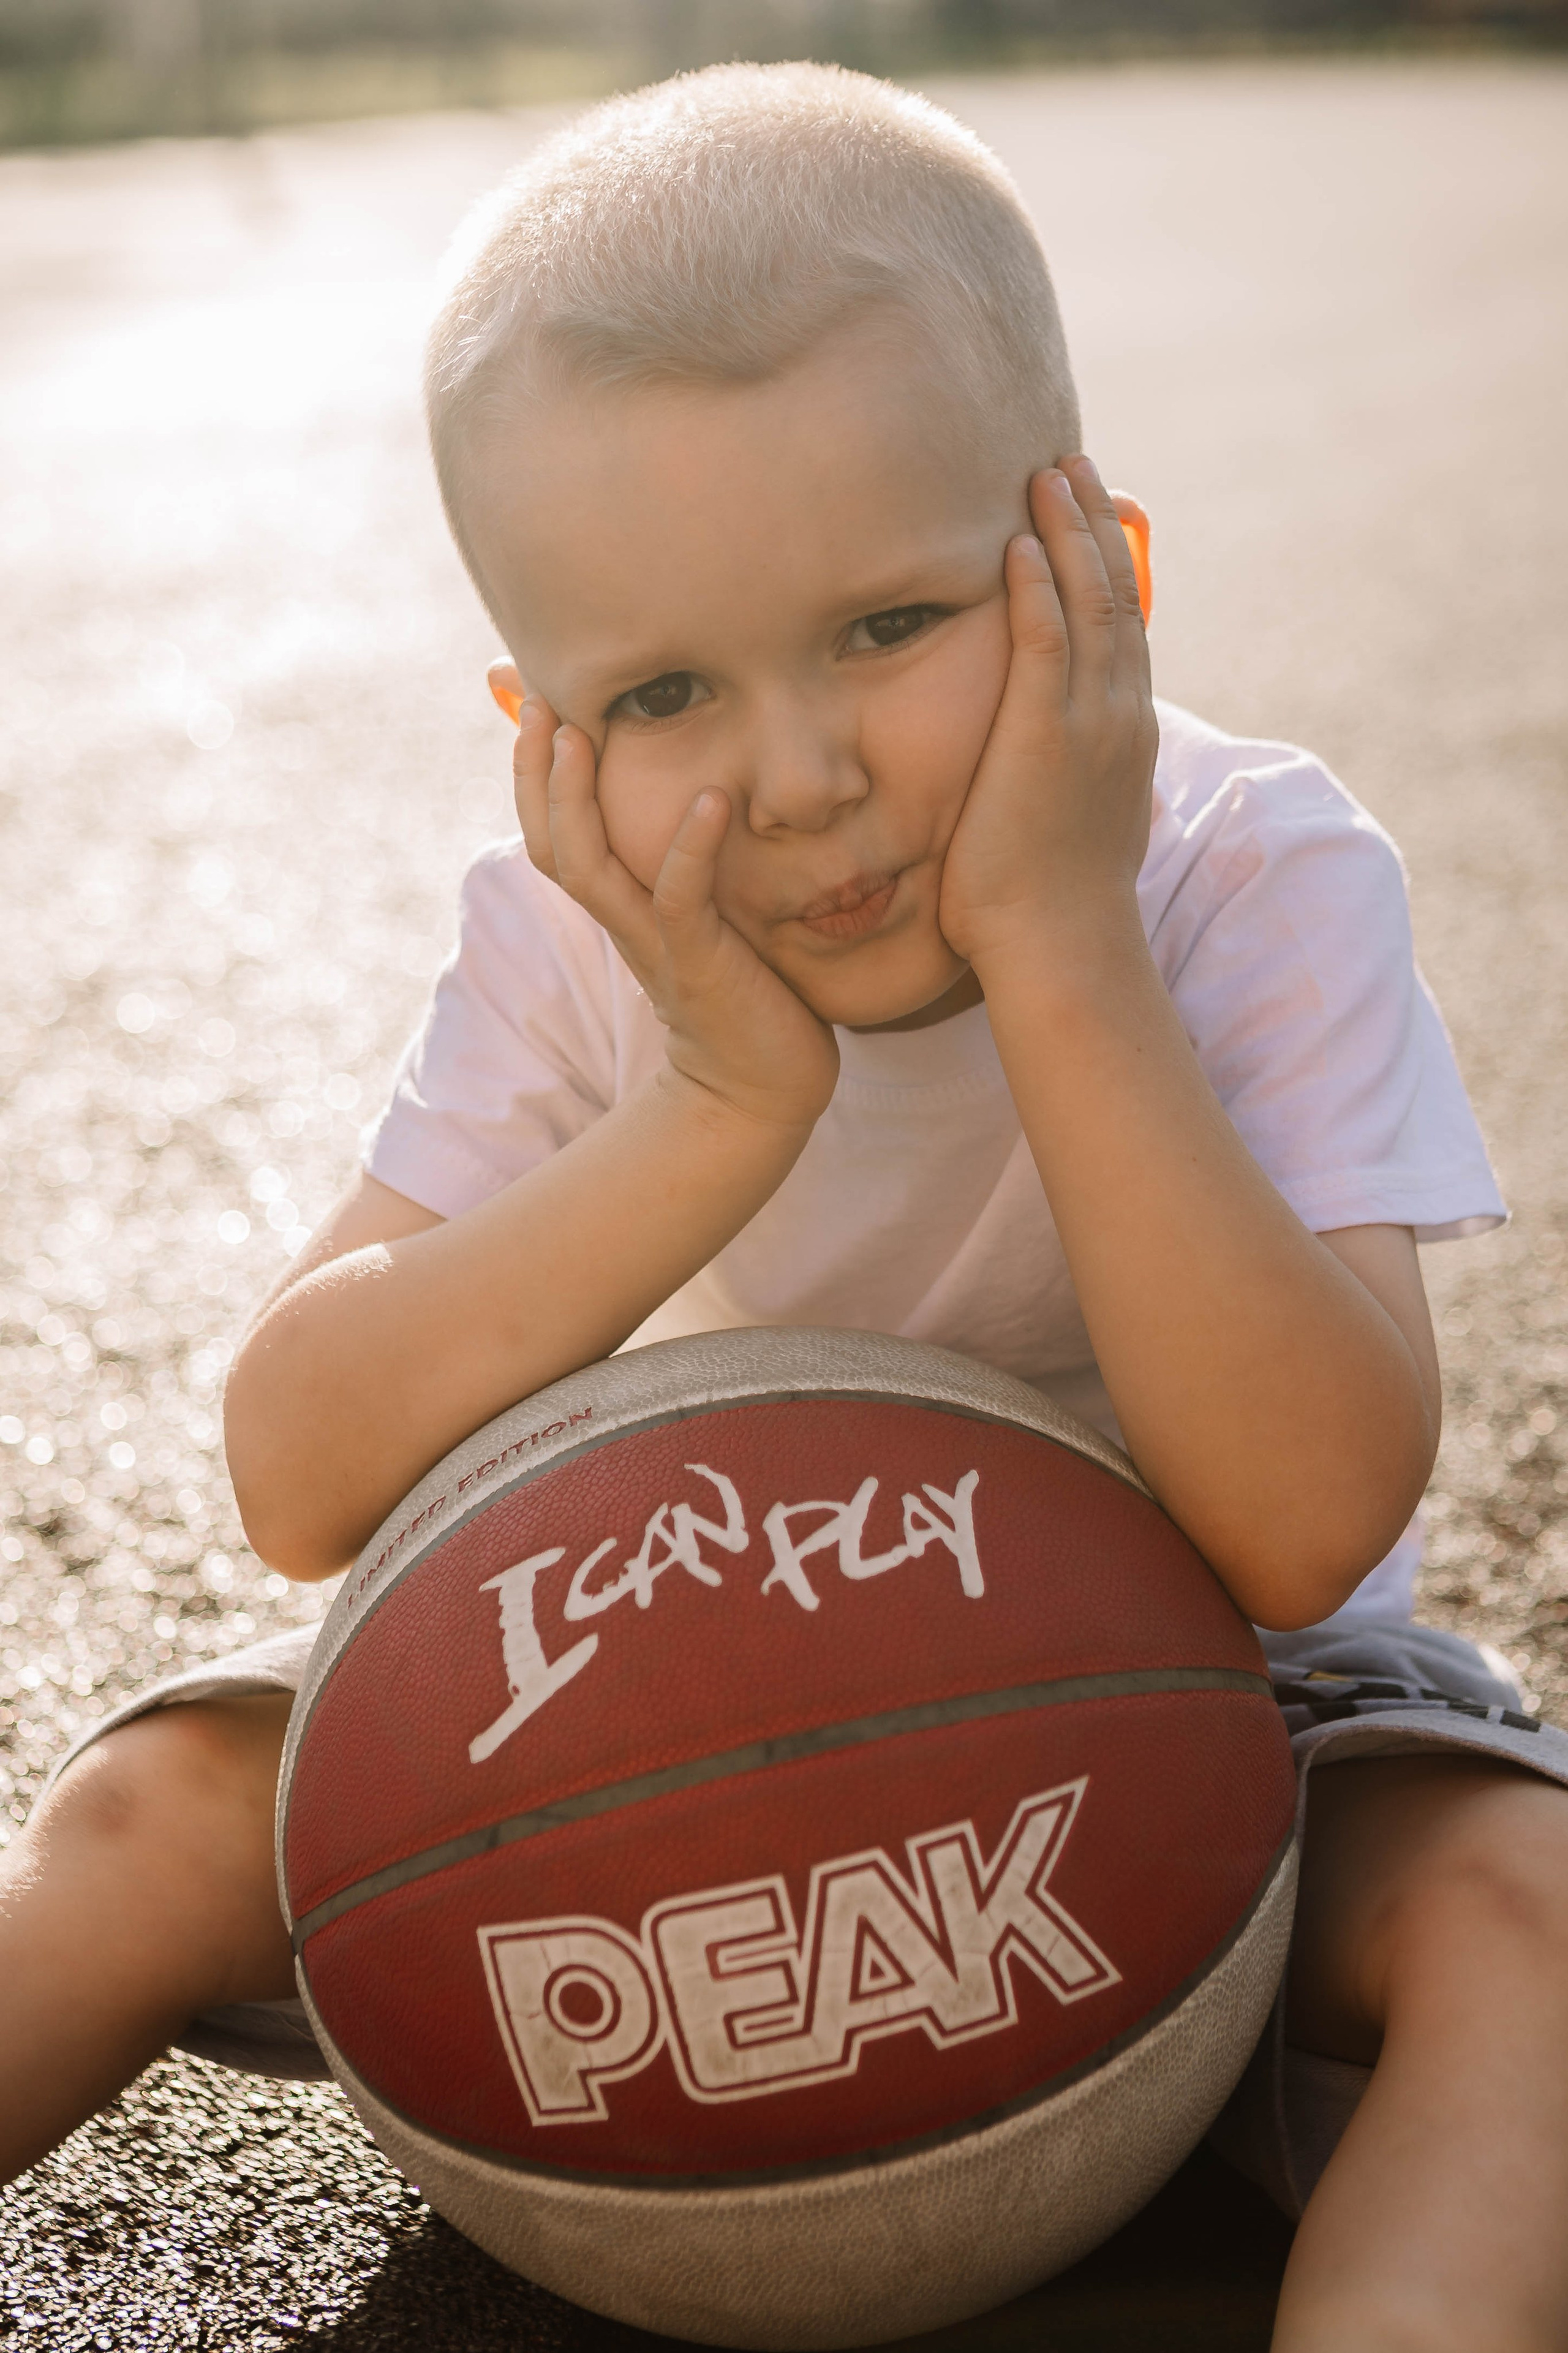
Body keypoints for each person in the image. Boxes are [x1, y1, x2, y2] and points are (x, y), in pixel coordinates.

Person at [3, 61, 1566, 2351]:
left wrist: (1062, 947)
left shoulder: (1245, 875)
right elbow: (295, 1466)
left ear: (1090, 573)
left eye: (887, 630)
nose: (802, 777)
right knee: (151, 1809)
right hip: (642, 1700)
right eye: (664, 691)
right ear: (539, 727)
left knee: (1527, 1916)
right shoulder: (576, 937)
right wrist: (719, 1107)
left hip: (1203, 1712)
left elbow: (1308, 1517)